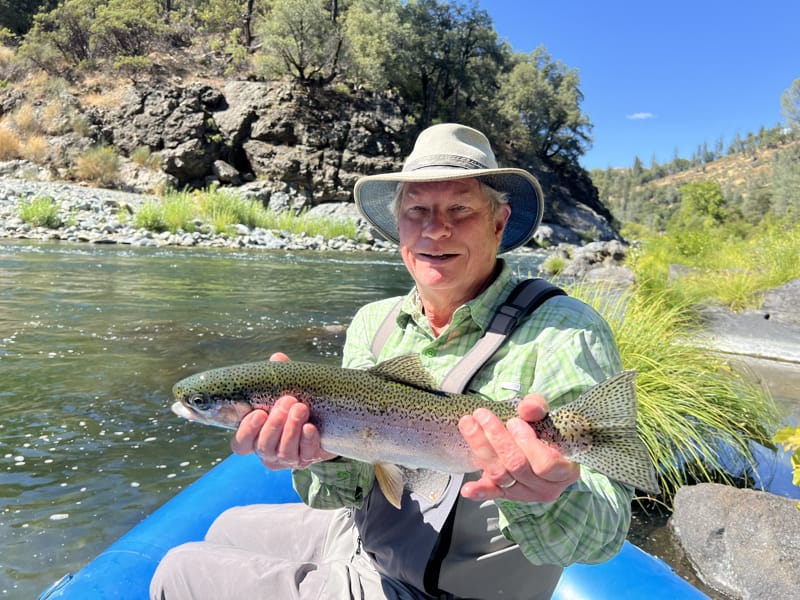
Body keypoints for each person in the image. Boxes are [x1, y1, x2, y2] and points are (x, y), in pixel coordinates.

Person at [150, 123, 633, 600]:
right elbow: (342, 495)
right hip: (367, 543)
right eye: (417, 209)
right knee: (225, 525)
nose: (435, 228)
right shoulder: (373, 322)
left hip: (440, 592)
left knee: (177, 570)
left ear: (499, 222)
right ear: (398, 223)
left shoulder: (565, 331)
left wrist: (544, 496)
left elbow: (603, 537)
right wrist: (322, 455)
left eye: (459, 208)